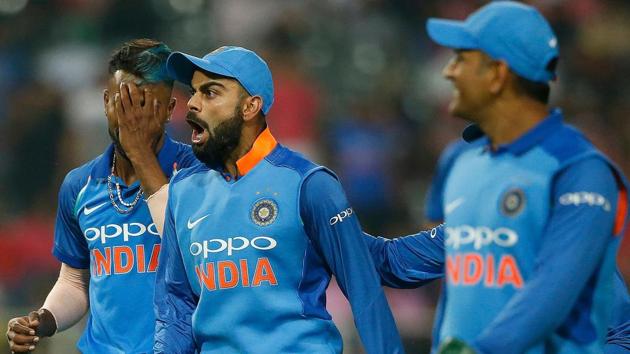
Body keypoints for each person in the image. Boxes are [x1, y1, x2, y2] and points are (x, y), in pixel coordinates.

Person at [364, 2, 630, 353]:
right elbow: (393, 262)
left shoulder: (574, 172)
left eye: (462, 60)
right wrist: (315, 220)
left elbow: (567, 298)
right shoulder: (472, 174)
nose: (448, 72)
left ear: (498, 74)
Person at [153, 46, 404, 353]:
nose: (191, 103)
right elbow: (176, 306)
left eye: (210, 92)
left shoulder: (309, 184)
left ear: (250, 107)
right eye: (193, 92)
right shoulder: (183, 189)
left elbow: (364, 291)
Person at [5, 38, 198, 353]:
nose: (130, 116)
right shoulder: (79, 184)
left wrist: (140, 155)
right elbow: (75, 282)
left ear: (168, 109)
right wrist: (44, 318)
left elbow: (191, 257)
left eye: (145, 103)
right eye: (123, 101)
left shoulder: (198, 172)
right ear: (106, 101)